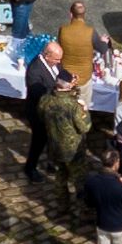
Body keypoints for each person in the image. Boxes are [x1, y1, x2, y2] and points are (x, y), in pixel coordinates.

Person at [21, 42, 70, 183]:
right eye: (57, 59)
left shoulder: (54, 63)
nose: (59, 62)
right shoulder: (34, 71)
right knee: (39, 140)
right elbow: (40, 94)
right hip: (38, 112)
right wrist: (61, 90)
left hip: (51, 110)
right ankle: (30, 167)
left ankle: (51, 162)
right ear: (47, 56)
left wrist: (69, 79)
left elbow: (61, 73)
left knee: (52, 137)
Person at [40, 82, 90, 214]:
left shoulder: (45, 100)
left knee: (60, 179)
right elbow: (84, 127)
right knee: (80, 181)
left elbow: (41, 116)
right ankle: (84, 211)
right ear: (68, 86)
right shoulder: (74, 106)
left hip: (54, 147)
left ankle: (62, 206)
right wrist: (85, 111)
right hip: (73, 151)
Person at [56, 1, 104, 84]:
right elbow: (103, 49)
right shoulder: (90, 32)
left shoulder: (63, 30)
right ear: (84, 15)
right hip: (85, 77)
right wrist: (104, 41)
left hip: (66, 77)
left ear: (71, 14)